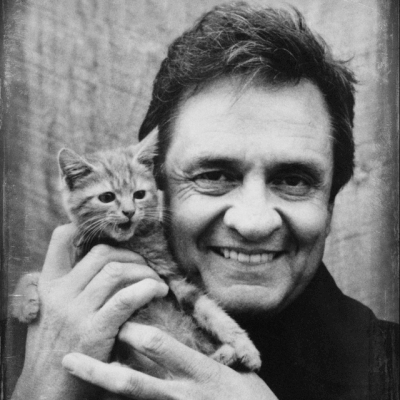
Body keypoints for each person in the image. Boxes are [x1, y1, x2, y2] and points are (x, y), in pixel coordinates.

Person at [11, 3, 398, 400]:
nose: (253, 222)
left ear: (331, 202)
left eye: (293, 180)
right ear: (159, 183)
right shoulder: (31, 343)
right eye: (213, 176)